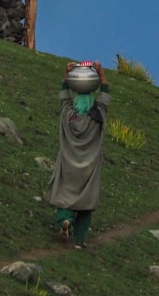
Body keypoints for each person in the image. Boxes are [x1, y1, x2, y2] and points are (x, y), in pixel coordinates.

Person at [45, 60, 110, 249]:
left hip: (68, 162)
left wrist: (66, 74)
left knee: (65, 195)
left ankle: (65, 220)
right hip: (89, 167)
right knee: (86, 202)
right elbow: (105, 94)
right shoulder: (98, 116)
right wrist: (101, 73)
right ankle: (80, 241)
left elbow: (64, 95)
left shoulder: (67, 114)